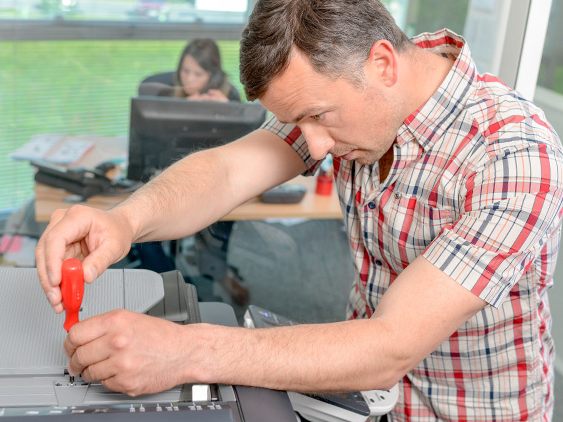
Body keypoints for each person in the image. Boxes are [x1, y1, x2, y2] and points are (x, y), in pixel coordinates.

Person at [35, 1, 562, 420]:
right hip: (361, 400)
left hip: (469, 409)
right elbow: (226, 171)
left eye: (316, 117)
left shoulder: (514, 155)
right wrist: (124, 221)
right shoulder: (348, 88)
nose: (313, 144)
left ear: (381, 63)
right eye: (296, 121)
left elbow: (389, 346)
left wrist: (184, 351)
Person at [136, 38, 249, 305]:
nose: (188, 79)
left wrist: (225, 112)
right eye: (185, 71)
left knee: (224, 213)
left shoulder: (229, 97)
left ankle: (215, 270)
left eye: (197, 73)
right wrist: (186, 109)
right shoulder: (170, 95)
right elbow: (151, 142)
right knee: (143, 224)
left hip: (211, 181)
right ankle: (172, 283)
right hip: (168, 176)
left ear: (212, 75)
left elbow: (242, 149)